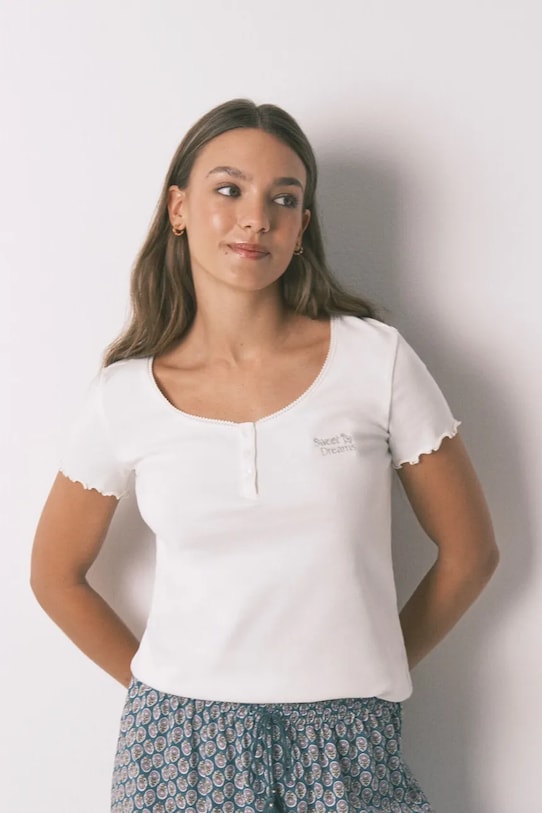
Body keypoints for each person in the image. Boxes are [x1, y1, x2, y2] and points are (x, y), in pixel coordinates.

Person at [30, 98, 498, 813]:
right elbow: (54, 574)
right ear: (179, 207)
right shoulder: (124, 395)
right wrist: (165, 694)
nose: (256, 218)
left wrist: (369, 671)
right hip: (179, 747)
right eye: (230, 190)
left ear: (302, 226)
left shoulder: (375, 361)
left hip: (348, 737)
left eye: (283, 199)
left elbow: (470, 552)